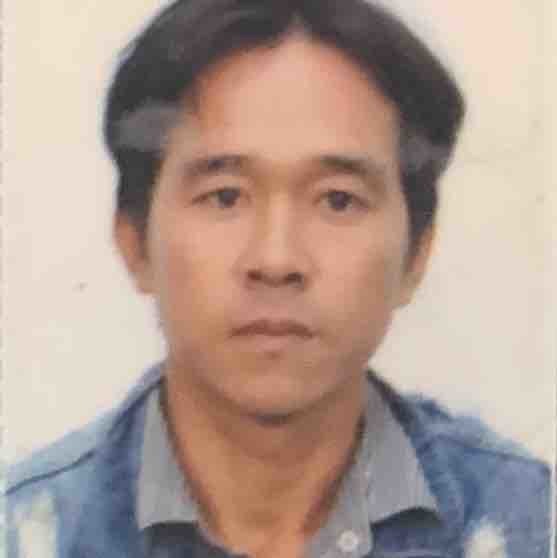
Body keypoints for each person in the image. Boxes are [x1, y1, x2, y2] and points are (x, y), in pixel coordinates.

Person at [5, 1, 551, 557]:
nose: (276, 259)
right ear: (133, 242)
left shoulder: (530, 525)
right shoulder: (25, 535)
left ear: (417, 255)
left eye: (338, 200)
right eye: (225, 197)